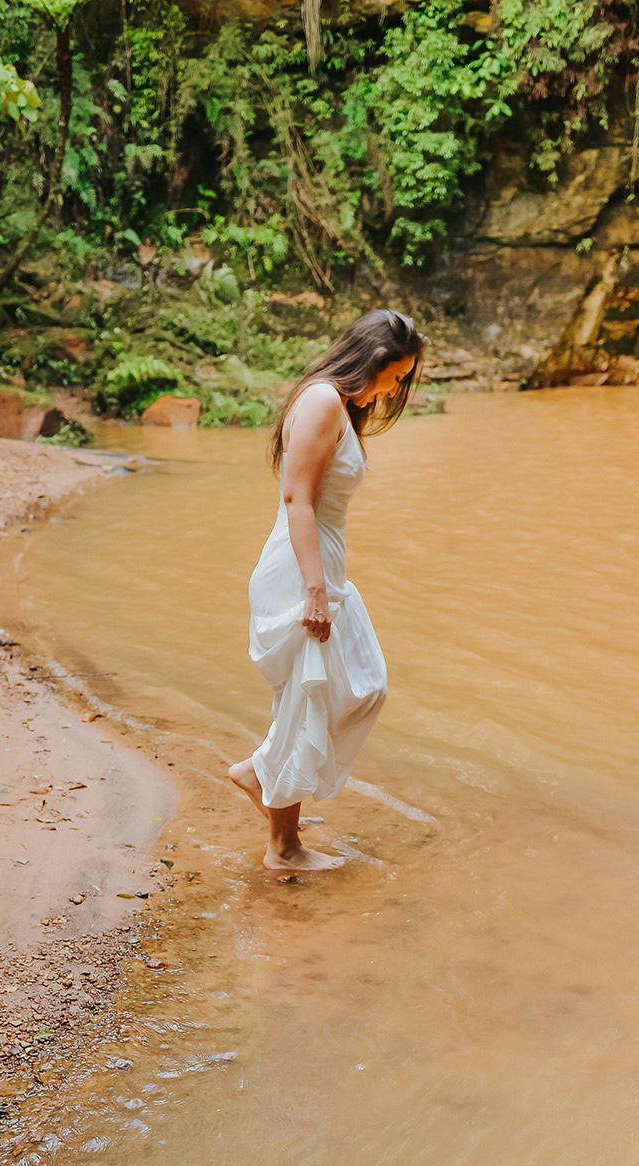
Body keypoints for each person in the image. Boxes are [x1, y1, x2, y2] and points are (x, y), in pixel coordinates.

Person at [228, 309, 426, 871]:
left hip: (322, 566)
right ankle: (283, 847)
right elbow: (298, 501)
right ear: (371, 361)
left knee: (361, 686)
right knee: (308, 693)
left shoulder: (336, 406)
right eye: (394, 376)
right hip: (301, 569)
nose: (393, 390)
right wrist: (315, 589)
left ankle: (261, 772)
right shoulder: (320, 401)